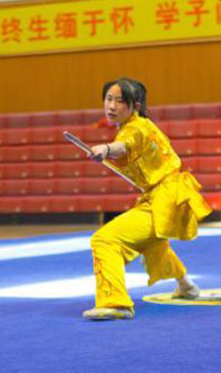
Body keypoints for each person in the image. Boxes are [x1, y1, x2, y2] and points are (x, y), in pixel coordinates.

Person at [82, 77, 212, 321]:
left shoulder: (136, 127)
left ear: (136, 105)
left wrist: (106, 149)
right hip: (164, 196)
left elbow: (123, 146)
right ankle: (186, 285)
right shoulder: (137, 126)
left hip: (165, 197)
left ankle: (116, 304)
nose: (111, 106)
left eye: (120, 101)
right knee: (153, 243)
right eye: (108, 99)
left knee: (105, 239)